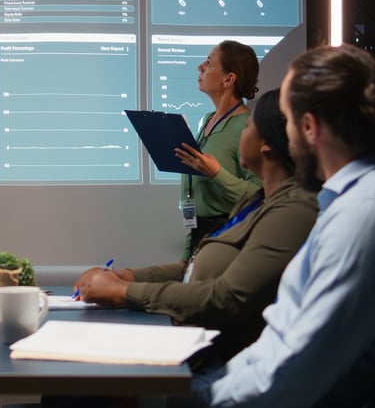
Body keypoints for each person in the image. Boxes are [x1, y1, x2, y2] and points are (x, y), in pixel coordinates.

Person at [188, 44, 375, 407]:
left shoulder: (367, 214)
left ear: (309, 127)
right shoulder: (353, 204)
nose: (283, 138)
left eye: (287, 122)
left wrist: (189, 401)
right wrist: (198, 388)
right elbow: (277, 345)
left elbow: (295, 371)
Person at [73, 89, 318, 363]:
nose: (241, 134)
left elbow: (227, 297)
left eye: (248, 127)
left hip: (213, 359)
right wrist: (125, 276)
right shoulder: (257, 201)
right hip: (189, 339)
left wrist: (123, 292)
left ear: (266, 144)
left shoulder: (293, 208)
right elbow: (191, 268)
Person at [178, 41, 262, 261]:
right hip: (199, 234)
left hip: (228, 239)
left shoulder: (248, 125)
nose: (200, 67)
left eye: (208, 63)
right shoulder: (207, 120)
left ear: (229, 79)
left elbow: (261, 194)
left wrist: (217, 174)